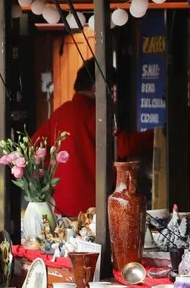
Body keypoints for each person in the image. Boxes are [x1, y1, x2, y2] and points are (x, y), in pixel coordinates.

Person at [30, 59, 154, 217]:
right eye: (111, 89)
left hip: (61, 206)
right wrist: (156, 135)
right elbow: (124, 146)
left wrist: (52, 171)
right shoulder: (97, 114)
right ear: (97, 88)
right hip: (94, 208)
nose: (112, 96)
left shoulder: (61, 112)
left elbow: (33, 147)